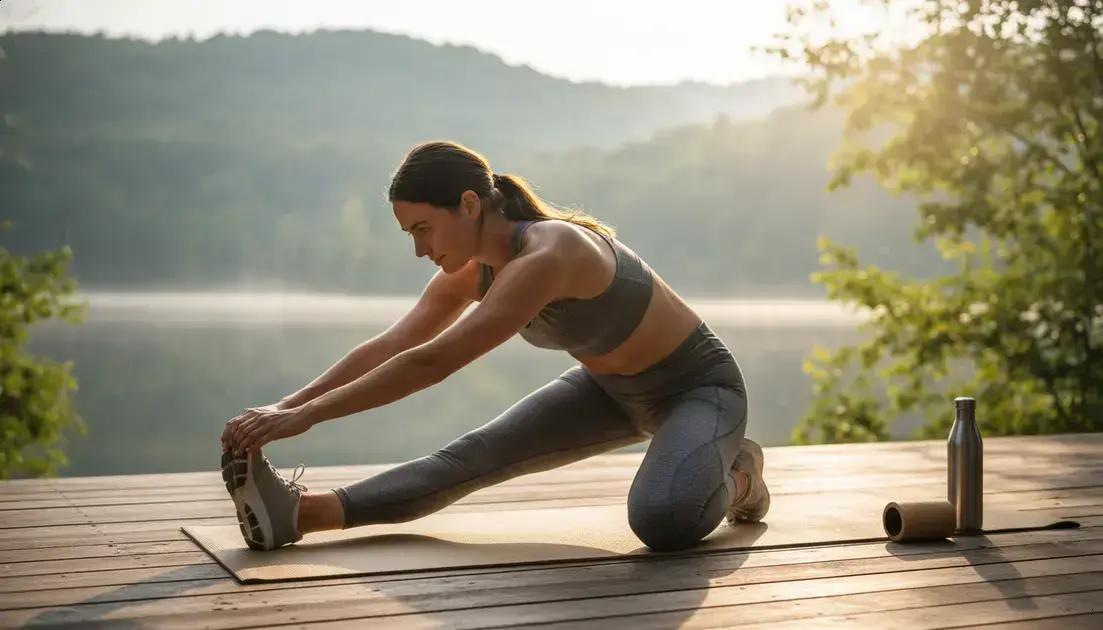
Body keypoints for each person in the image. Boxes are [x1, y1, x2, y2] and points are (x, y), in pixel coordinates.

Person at [220, 140, 770, 552]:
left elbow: (433, 361)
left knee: (662, 520)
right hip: (607, 390)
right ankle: (297, 516)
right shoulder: (471, 271)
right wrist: (281, 410)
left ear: (467, 205)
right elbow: (395, 343)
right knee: (470, 458)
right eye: (410, 234)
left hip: (699, 390)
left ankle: (739, 473)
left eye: (422, 229)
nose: (419, 250)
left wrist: (307, 418)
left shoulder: (549, 254)